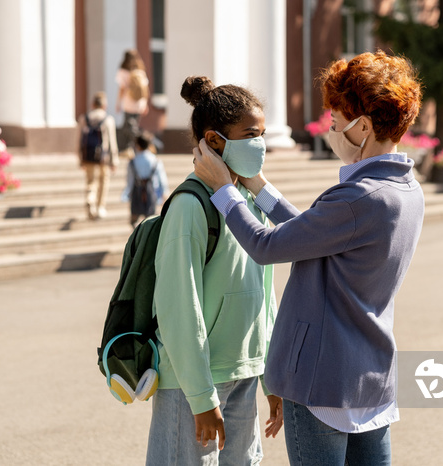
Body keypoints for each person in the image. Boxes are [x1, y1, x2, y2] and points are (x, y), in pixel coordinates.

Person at [194, 51, 424, 465]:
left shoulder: (359, 197)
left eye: (336, 123)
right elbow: (319, 234)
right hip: (370, 377)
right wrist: (257, 186)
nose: (330, 131)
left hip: (322, 380)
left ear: (364, 127)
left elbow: (267, 246)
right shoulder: (404, 190)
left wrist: (222, 190)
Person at [145, 76, 283, 465]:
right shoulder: (191, 205)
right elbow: (178, 307)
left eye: (262, 134)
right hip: (194, 384)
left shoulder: (247, 203)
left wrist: (270, 377)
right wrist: (201, 398)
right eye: (251, 134)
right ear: (215, 140)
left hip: (243, 373)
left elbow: (265, 296)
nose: (261, 144)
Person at [76, 91, 119, 220]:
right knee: (103, 181)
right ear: (104, 105)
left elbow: (79, 140)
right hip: (103, 158)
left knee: (91, 181)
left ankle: (90, 199)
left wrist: (80, 158)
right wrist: (114, 161)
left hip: (88, 156)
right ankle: (100, 207)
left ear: (92, 104)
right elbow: (112, 142)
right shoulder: (108, 119)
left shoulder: (84, 118)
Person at [121, 131, 168, 228]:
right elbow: (162, 180)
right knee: (151, 221)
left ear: (137, 145)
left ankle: (137, 238)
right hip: (151, 192)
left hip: (136, 193)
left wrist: (126, 194)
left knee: (134, 220)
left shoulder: (133, 162)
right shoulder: (156, 160)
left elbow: (130, 181)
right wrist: (164, 193)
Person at [115, 50, 150, 157]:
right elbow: (145, 89)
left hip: (128, 104)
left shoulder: (123, 72)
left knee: (129, 128)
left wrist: (118, 102)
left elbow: (122, 88)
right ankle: (128, 149)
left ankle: (146, 142)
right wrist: (146, 103)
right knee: (130, 126)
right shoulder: (141, 71)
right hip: (140, 104)